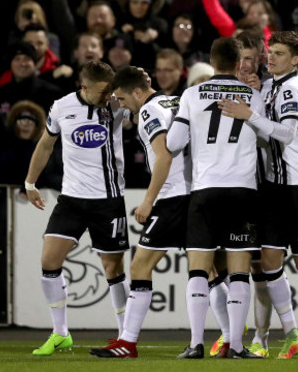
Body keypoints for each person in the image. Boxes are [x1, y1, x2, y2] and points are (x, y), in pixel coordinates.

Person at [219, 31, 298, 359]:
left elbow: (288, 134)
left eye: (278, 53)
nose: (270, 57)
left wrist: (249, 113)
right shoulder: (273, 86)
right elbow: (264, 125)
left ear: (295, 59)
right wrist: (252, 93)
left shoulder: (291, 89)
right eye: (269, 51)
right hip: (275, 185)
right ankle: (291, 333)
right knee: (270, 260)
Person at [166, 37, 265, 359]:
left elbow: (174, 143)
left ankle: (195, 344)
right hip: (243, 191)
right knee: (239, 272)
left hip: (205, 189)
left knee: (198, 271)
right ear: (240, 64)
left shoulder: (192, 94)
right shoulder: (254, 96)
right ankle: (236, 345)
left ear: (211, 62)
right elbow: (266, 140)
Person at [25, 60, 130, 356]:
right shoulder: (61, 107)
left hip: (108, 199)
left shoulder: (117, 105)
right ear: (83, 88)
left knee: (113, 270)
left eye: (111, 89)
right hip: (71, 199)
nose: (107, 95)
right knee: (49, 261)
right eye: (102, 91)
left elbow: (145, 103)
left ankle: (125, 336)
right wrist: (30, 183)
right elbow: (46, 144)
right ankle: (60, 333)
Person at [89, 66, 191, 358]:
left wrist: (148, 201)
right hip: (194, 191)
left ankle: (128, 342)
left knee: (139, 267)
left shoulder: (148, 112)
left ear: (137, 91)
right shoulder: (174, 101)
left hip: (173, 196)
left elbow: (163, 156)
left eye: (121, 99)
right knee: (210, 269)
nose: (120, 105)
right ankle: (230, 338)